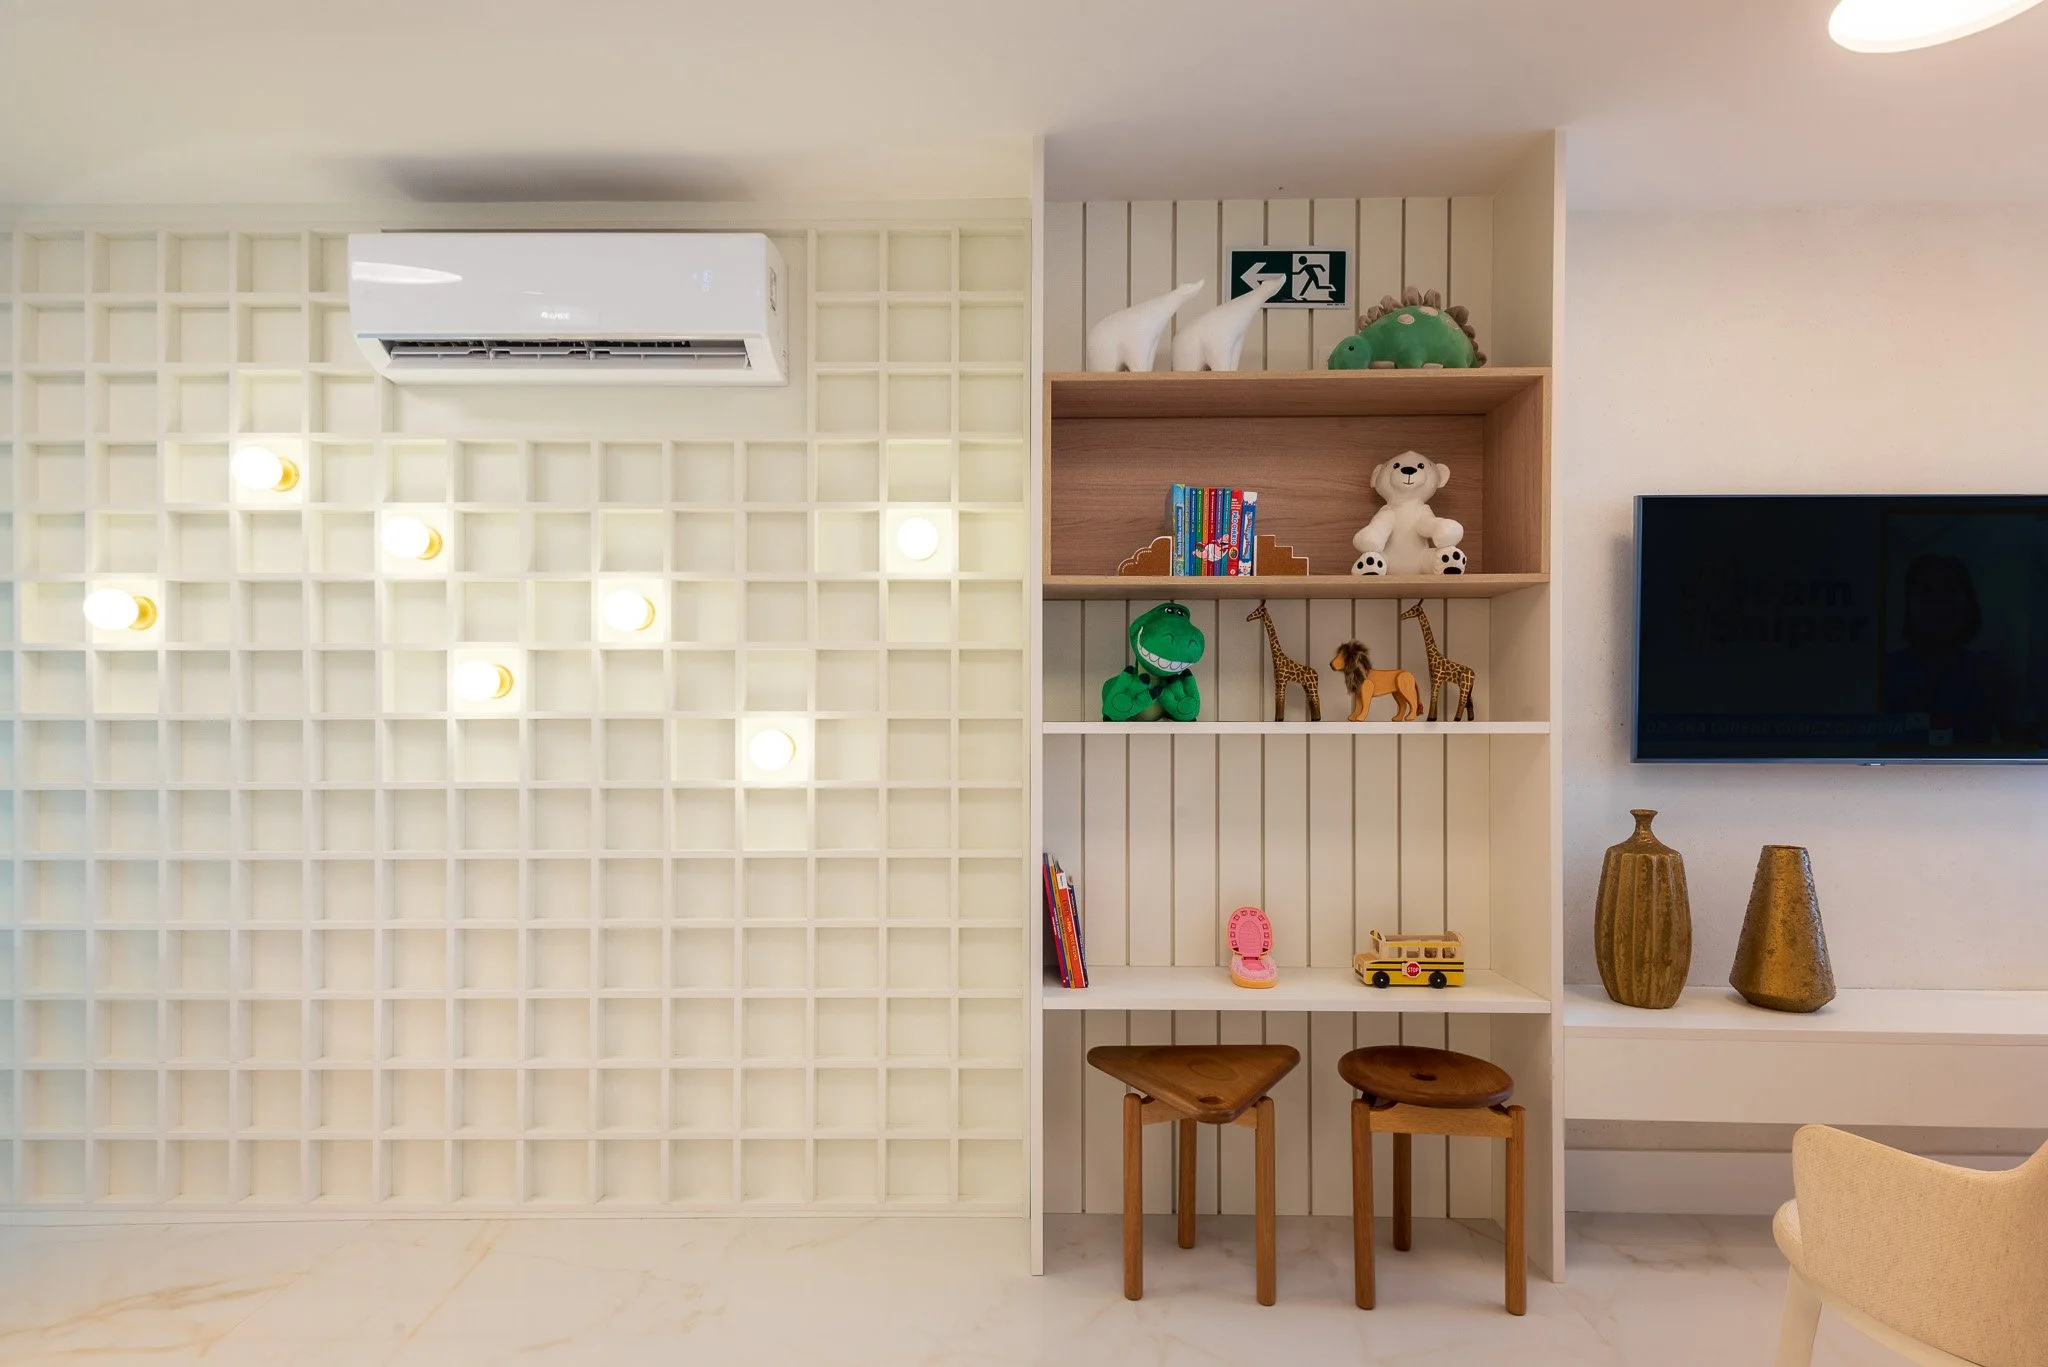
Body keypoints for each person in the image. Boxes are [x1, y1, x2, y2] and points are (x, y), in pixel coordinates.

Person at [1884, 553, 2020, 747]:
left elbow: (2024, 746)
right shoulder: (1886, 672)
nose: (1938, 603)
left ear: (1968, 601)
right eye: (1926, 591)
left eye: (1949, 590)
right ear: (1910, 603)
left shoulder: (1988, 671)